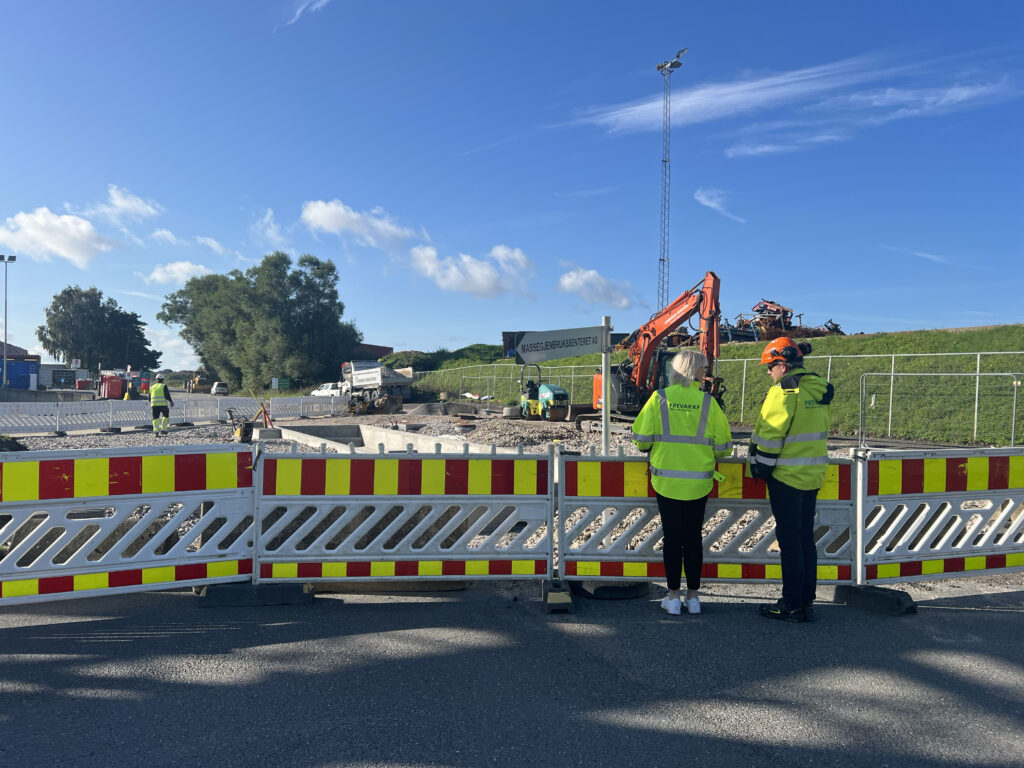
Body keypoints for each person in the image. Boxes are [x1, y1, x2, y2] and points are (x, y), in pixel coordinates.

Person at [632, 350, 733, 616]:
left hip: (666, 482)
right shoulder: (709, 403)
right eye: (705, 369)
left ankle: (674, 598)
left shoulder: (659, 398)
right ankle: (694, 597)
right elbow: (724, 449)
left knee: (673, 538)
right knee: (693, 538)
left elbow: (641, 439)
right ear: (698, 372)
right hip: (699, 482)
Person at [749, 338, 834, 623]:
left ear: (782, 365)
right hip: (812, 475)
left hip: (785, 477)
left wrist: (761, 467)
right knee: (805, 540)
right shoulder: (818, 389)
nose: (768, 373)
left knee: (790, 543)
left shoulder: (784, 392)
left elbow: (772, 436)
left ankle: (791, 604)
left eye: (770, 367)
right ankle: (806, 601)